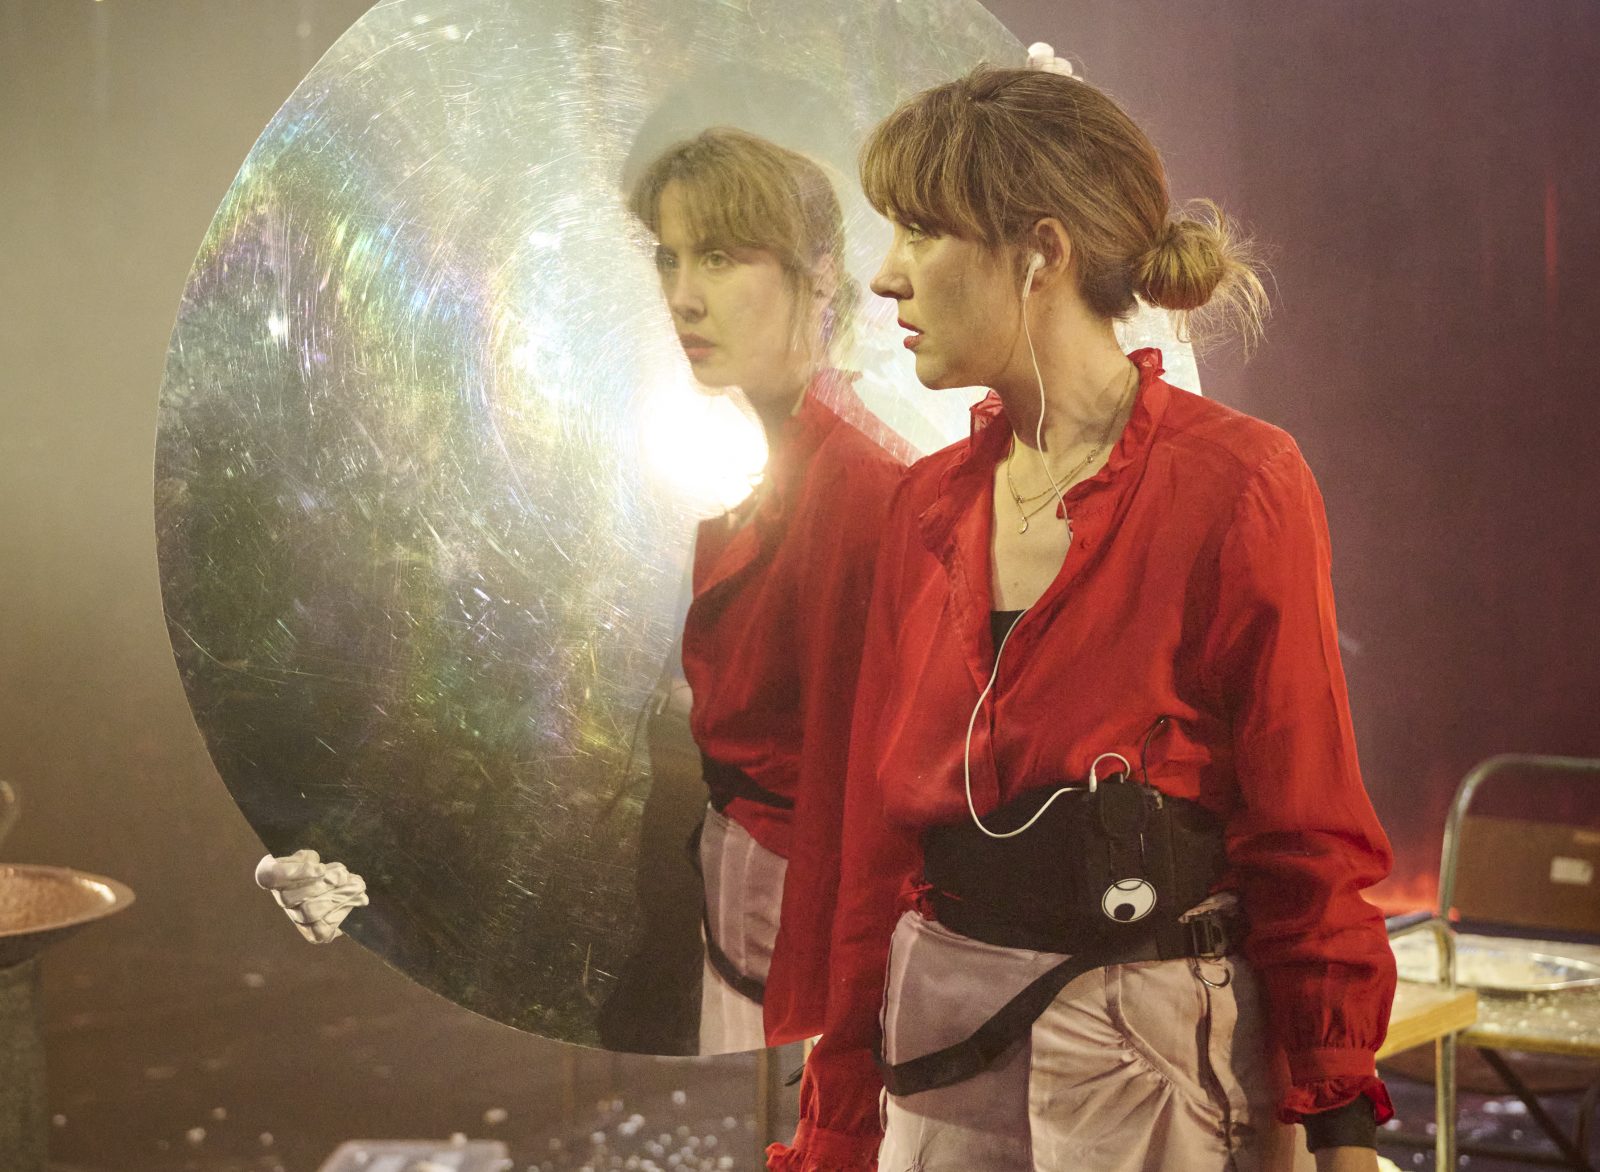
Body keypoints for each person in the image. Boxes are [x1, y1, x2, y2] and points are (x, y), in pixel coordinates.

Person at [770, 54, 1395, 1172]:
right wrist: (836, 1127)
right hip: (938, 1051)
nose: (886, 276)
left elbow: (1304, 824)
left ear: (1041, 253)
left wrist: (1339, 1124)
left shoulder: (1235, 482)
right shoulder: (923, 507)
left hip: (1150, 1059)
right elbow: (874, 857)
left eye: (920, 231)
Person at [260, 127, 910, 1057]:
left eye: (721, 257)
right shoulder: (770, 465)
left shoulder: (855, 484)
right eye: (669, 258)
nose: (683, 296)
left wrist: (819, 1032)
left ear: (819, 275)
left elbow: (856, 798)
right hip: (744, 919)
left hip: (800, 949)